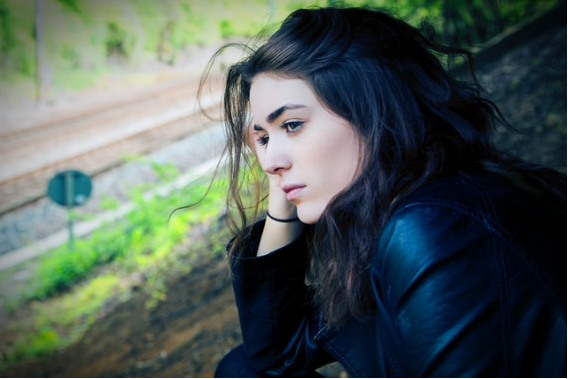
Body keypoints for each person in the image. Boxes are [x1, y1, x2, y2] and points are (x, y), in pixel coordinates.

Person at [201, 5, 567, 378]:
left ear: (372, 110)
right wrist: (283, 195)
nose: (269, 161)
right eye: (262, 137)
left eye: (292, 125)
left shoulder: (435, 227)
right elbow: (274, 355)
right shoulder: (390, 214)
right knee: (240, 370)